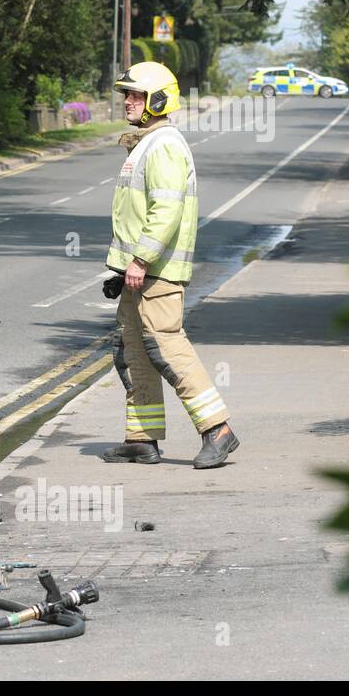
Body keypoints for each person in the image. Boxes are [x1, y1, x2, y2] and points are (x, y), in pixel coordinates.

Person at [101, 61, 240, 469]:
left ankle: (218, 430)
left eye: (136, 95)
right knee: (132, 351)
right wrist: (123, 267)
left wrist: (141, 259)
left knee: (167, 347)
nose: (127, 101)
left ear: (158, 100)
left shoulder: (163, 145)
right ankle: (141, 439)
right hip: (138, 271)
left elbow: (166, 210)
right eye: (126, 94)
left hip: (155, 271)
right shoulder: (147, 142)